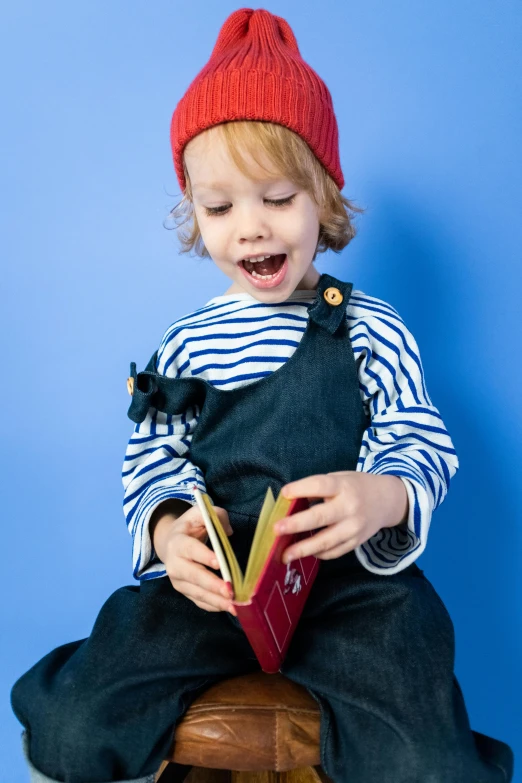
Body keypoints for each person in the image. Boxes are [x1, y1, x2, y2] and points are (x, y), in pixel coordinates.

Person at [10, 8, 514, 783]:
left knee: (424, 753)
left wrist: (380, 496)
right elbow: (155, 451)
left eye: (277, 198)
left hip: (349, 591)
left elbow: (418, 437)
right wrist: (173, 529)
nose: (249, 229)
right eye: (219, 208)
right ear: (194, 215)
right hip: (218, 591)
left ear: (324, 197)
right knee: (76, 723)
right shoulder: (185, 343)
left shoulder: (370, 327)